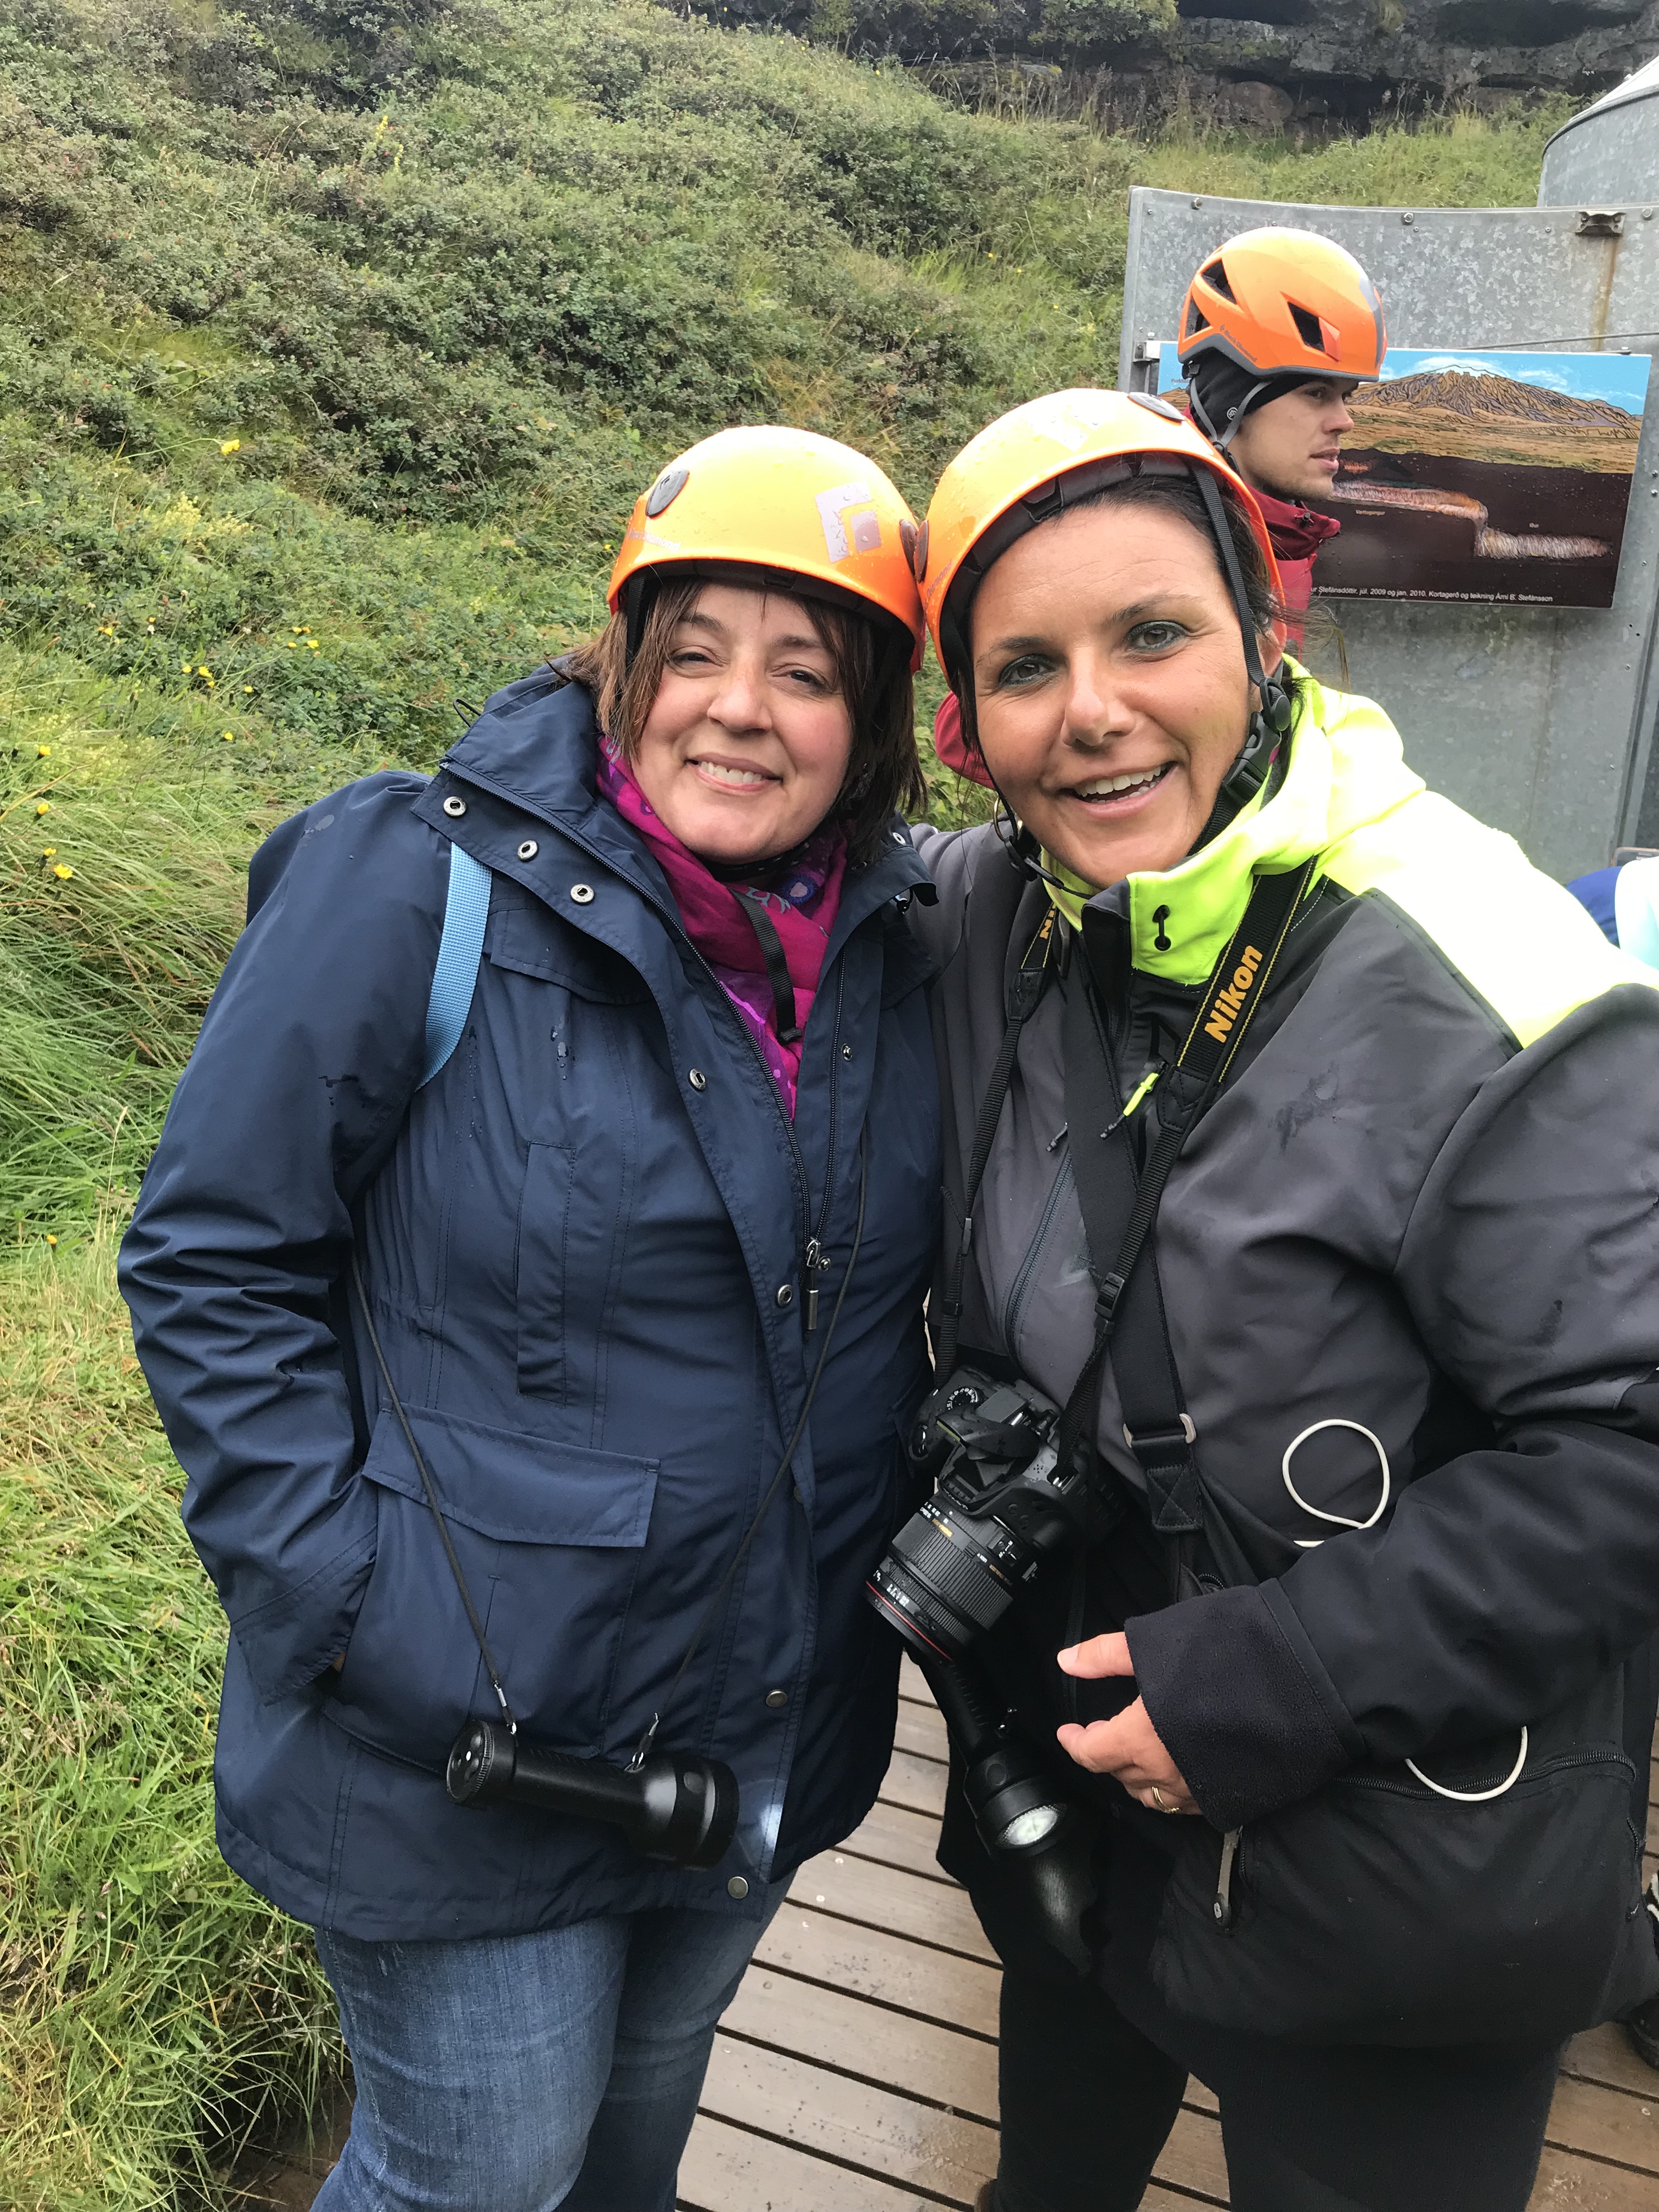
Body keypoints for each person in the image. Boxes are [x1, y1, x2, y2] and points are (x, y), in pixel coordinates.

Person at [119, 426, 942, 2212]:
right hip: (463, 1736)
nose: (740, 709)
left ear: (873, 719)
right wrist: (347, 1603)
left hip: (755, 1727)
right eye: (694, 651)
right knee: (473, 2180)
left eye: (807, 672)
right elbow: (209, 1254)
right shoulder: (414, 881)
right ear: (621, 663)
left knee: (631, 2158)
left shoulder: (910, 950)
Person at [898, 387, 1659, 2212]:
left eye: (1152, 634)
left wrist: (1284, 1677)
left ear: (1261, 636)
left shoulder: (1482, 970)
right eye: (1025, 668)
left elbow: (1633, 1446)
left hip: (1395, 1867)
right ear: (969, 727)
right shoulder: (998, 911)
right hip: (1081, 1788)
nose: (1092, 710)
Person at [929, 227, 1385, 791]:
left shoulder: (1283, 530)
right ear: (1235, 401)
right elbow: (963, 733)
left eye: (1345, 397)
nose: (1344, 421)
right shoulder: (1149, 525)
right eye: (1316, 394)